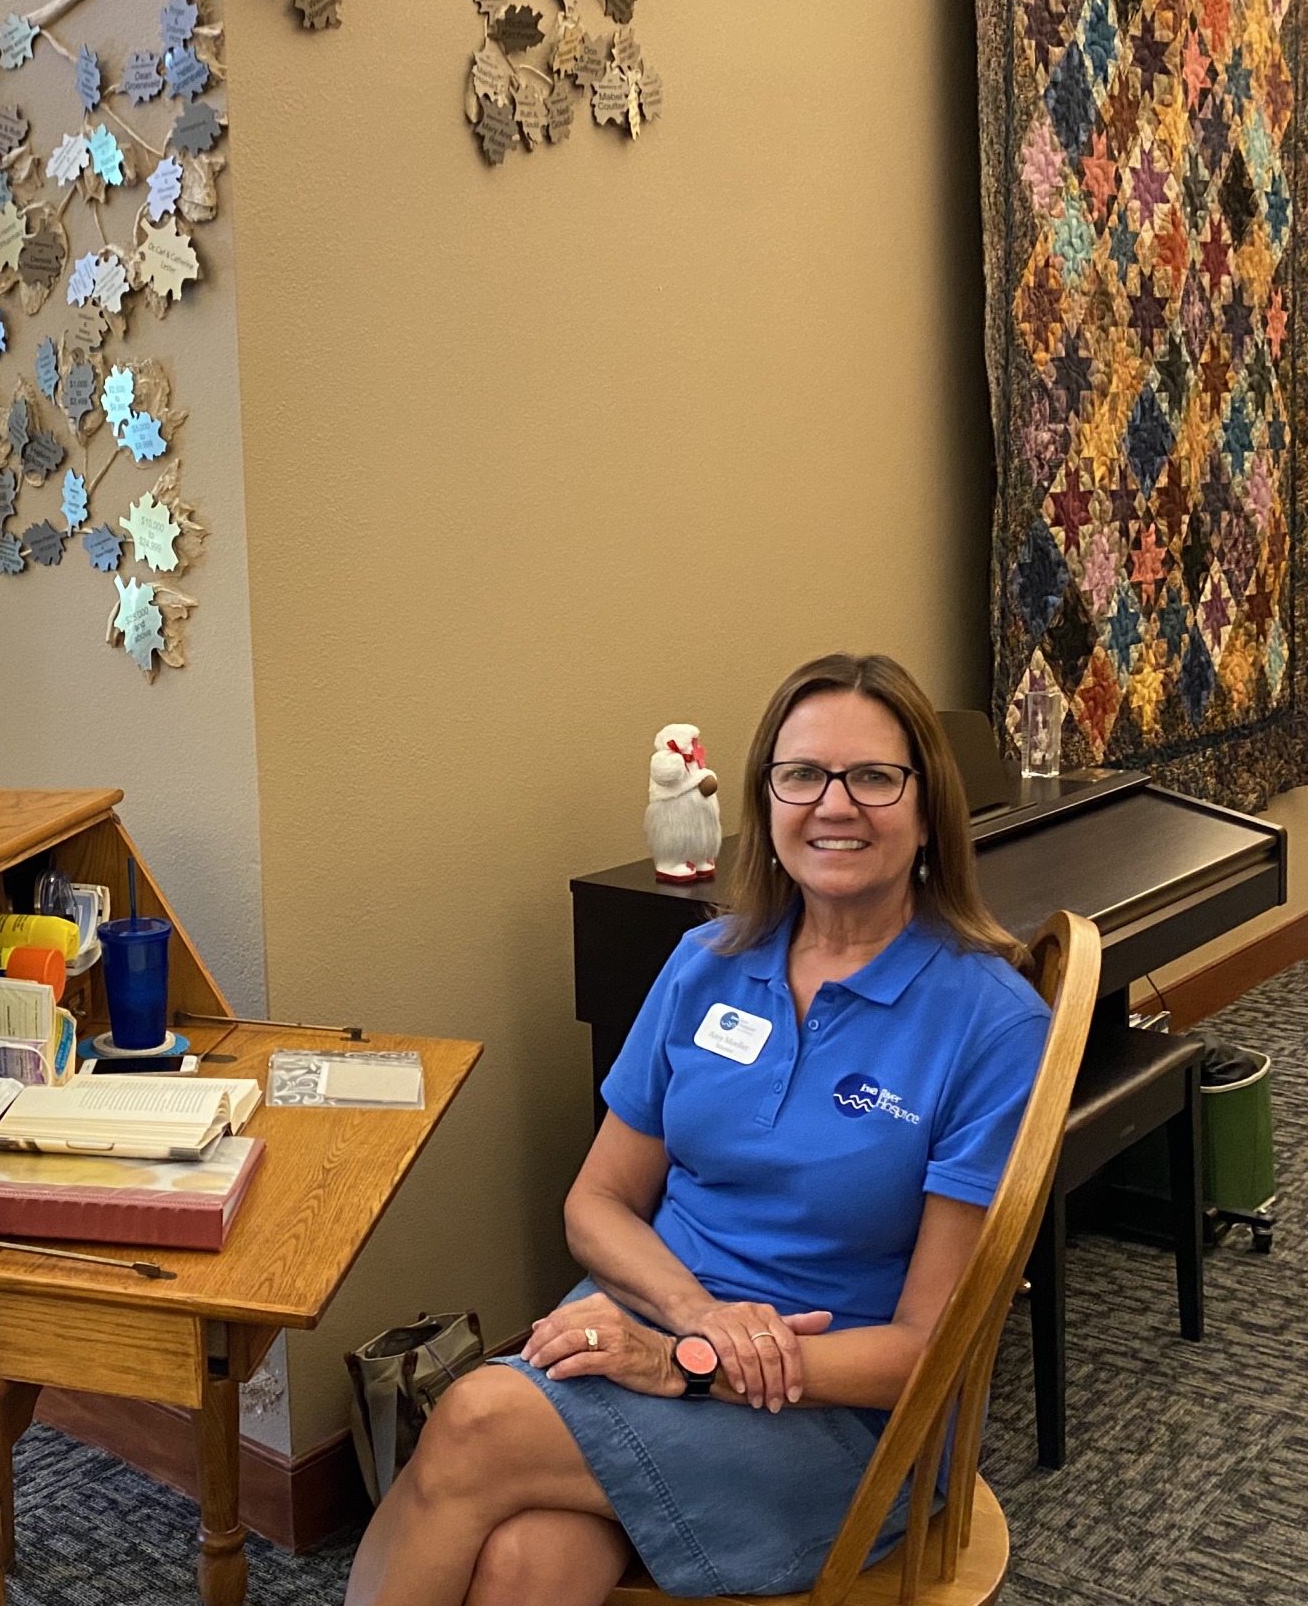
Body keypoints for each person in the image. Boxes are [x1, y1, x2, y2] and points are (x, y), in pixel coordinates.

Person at [346, 654, 1050, 1606]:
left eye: (875, 777)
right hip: (655, 1318)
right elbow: (596, 1201)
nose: (833, 804)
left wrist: (694, 1364)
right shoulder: (706, 961)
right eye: (801, 775)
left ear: (929, 811)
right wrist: (692, 1319)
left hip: (838, 1408)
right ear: (764, 801)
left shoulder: (990, 1024)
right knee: (527, 1560)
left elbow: (929, 1351)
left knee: (473, 1421)